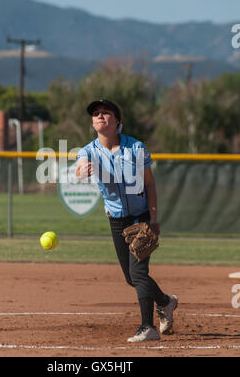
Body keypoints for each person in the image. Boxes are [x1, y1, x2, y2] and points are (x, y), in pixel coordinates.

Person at [76, 99, 178, 342]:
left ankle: (148, 328)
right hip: (117, 221)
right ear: (93, 122)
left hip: (140, 217)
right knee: (131, 278)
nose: (100, 116)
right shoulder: (88, 151)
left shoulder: (136, 148)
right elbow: (79, 169)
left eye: (106, 112)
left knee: (139, 273)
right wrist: (83, 170)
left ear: (117, 121)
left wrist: (153, 217)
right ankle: (165, 302)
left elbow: (150, 183)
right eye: (96, 114)